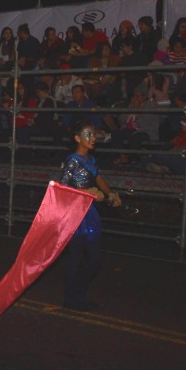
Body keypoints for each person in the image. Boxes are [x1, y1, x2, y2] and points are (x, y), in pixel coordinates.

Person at [59, 121, 121, 311]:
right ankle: (72, 297)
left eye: (94, 135)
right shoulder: (72, 161)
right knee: (77, 256)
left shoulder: (90, 160)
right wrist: (89, 191)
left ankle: (77, 294)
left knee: (93, 259)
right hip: (76, 213)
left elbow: (99, 178)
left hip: (89, 212)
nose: (93, 138)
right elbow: (63, 187)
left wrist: (111, 194)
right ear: (78, 138)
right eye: (88, 135)